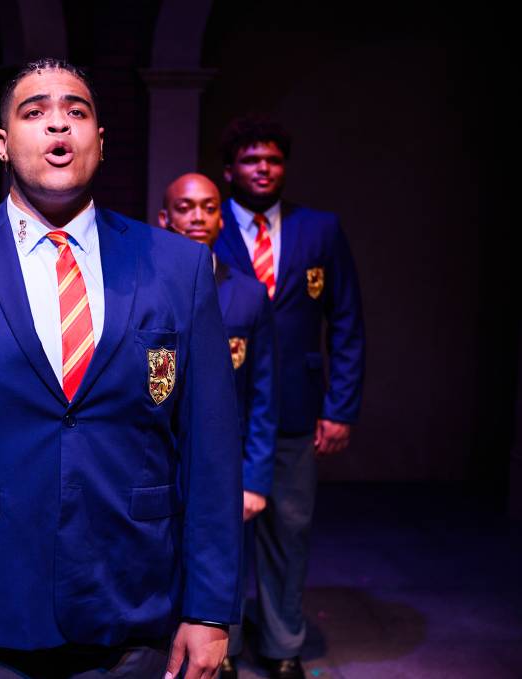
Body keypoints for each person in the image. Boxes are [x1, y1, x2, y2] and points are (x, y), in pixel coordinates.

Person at [0, 58, 243, 679]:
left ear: (102, 140)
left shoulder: (178, 268)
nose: (58, 127)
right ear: (2, 143)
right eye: (34, 112)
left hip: (133, 607)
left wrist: (210, 610)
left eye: (77, 111)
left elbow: (210, 452)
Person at [213, 116, 365, 679]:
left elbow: (346, 318)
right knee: (222, 533)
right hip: (226, 409)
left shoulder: (319, 229)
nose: (263, 169)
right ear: (231, 170)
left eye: (273, 160)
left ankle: (281, 645)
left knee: (290, 529)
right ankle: (221, 645)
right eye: (252, 160)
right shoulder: (208, 223)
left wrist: (340, 406)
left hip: (298, 406)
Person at [158, 173, 278, 679]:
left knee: (220, 552)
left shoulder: (248, 295)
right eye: (185, 208)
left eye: (208, 208)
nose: (196, 218)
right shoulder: (144, 285)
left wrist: (255, 476)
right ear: (165, 218)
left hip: (222, 458)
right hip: (160, 456)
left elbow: (264, 392)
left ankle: (219, 647)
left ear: (220, 218)